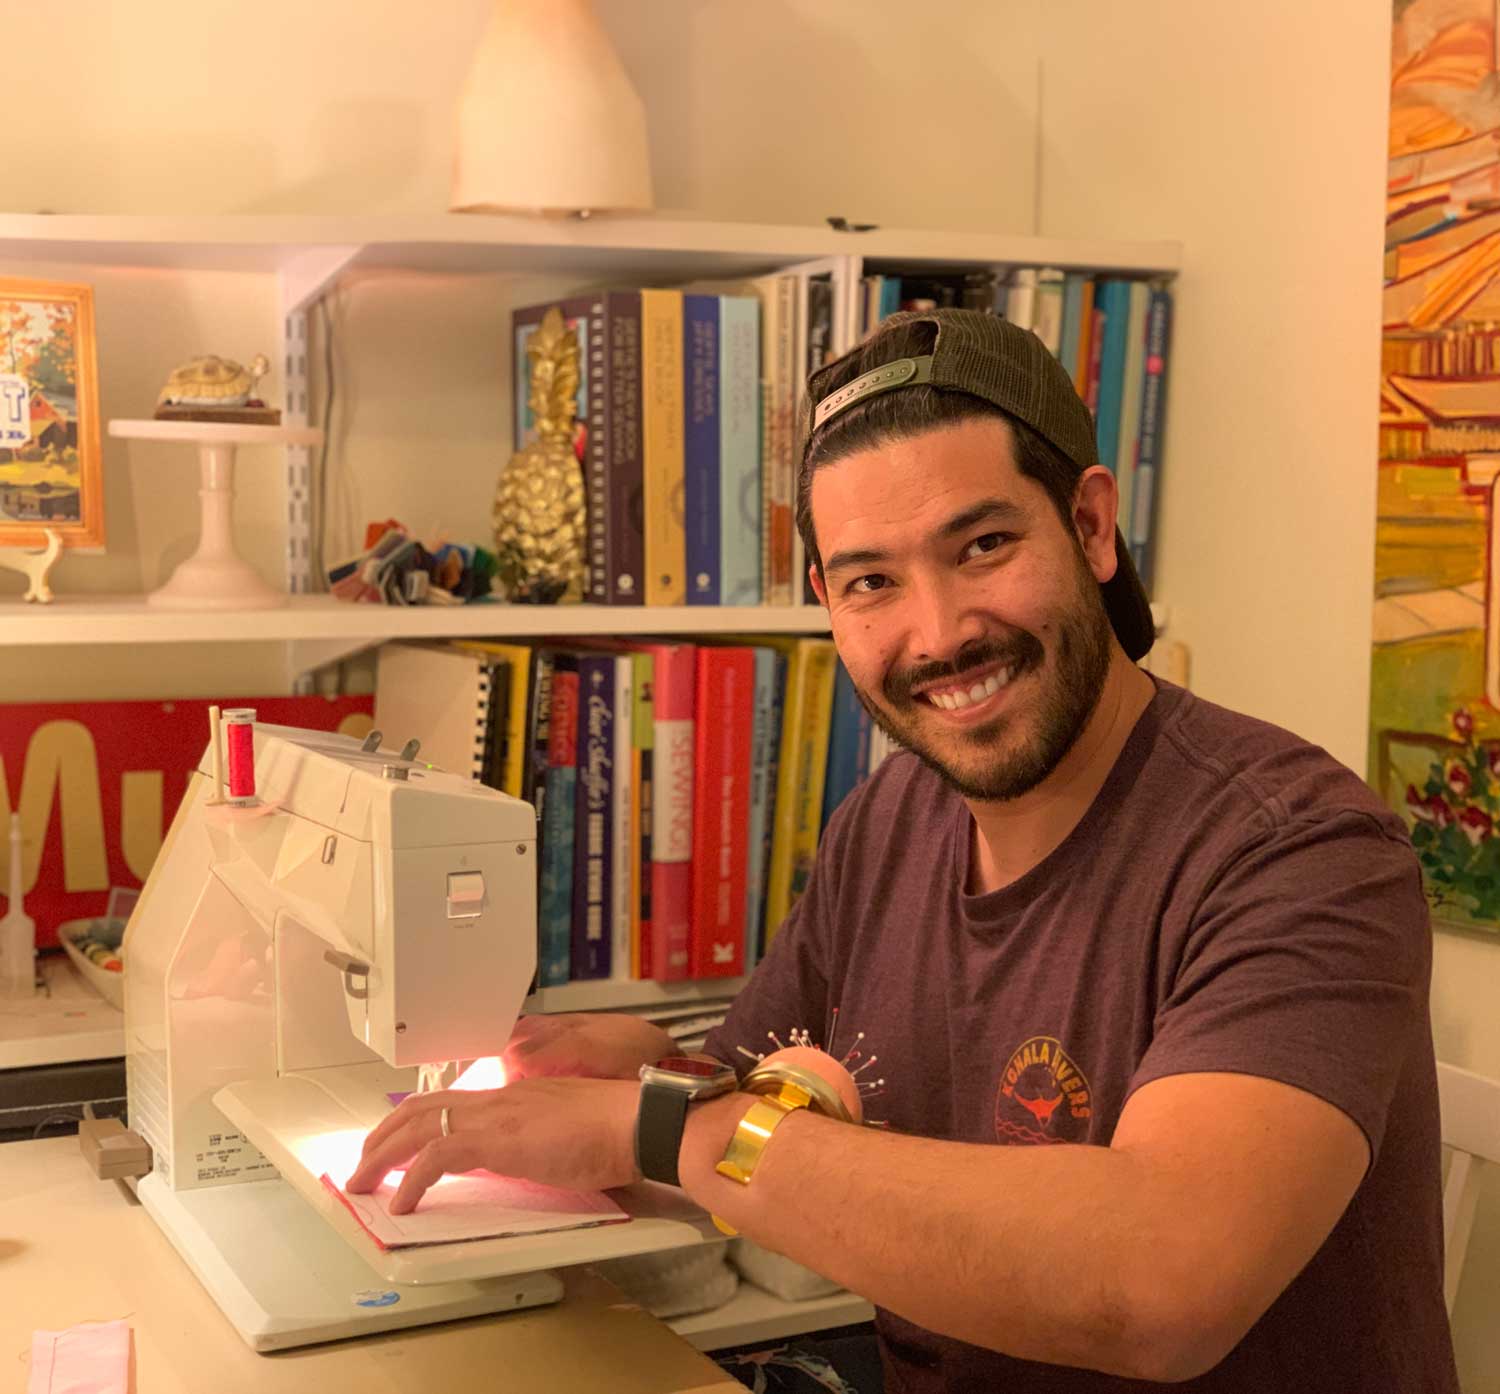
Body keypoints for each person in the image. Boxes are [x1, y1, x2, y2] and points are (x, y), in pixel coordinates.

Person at [350, 308, 1459, 1392]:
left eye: (982, 545)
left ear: (1090, 524)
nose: (937, 632)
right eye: (874, 580)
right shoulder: (888, 824)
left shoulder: (1301, 849)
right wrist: (639, 1072)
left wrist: (658, 1127)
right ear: (828, 600)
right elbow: (762, 1120)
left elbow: (1161, 1281)